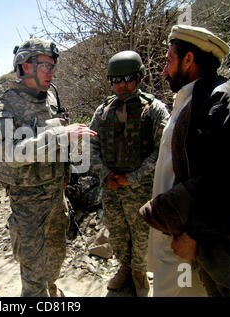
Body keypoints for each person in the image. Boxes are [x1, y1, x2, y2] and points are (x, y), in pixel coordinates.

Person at [140, 25, 230, 297]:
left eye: (169, 60)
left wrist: (194, 234)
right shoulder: (195, 98)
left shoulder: (223, 101)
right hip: (180, 241)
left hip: (193, 244)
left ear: (189, 60)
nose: (163, 70)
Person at [0, 38, 96, 297]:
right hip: (28, 204)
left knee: (55, 263)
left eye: (53, 66)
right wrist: (61, 135)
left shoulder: (51, 96)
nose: (52, 72)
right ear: (26, 66)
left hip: (57, 198)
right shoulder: (5, 106)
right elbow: (10, 152)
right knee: (34, 278)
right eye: (45, 66)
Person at [89, 51, 169, 297]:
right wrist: (106, 174)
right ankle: (124, 269)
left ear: (140, 78)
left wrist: (133, 177)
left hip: (140, 189)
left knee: (142, 235)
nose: (122, 84)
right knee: (117, 233)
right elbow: (90, 147)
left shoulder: (154, 109)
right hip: (111, 189)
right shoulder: (102, 111)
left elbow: (164, 149)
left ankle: (139, 273)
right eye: (116, 79)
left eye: (128, 78)